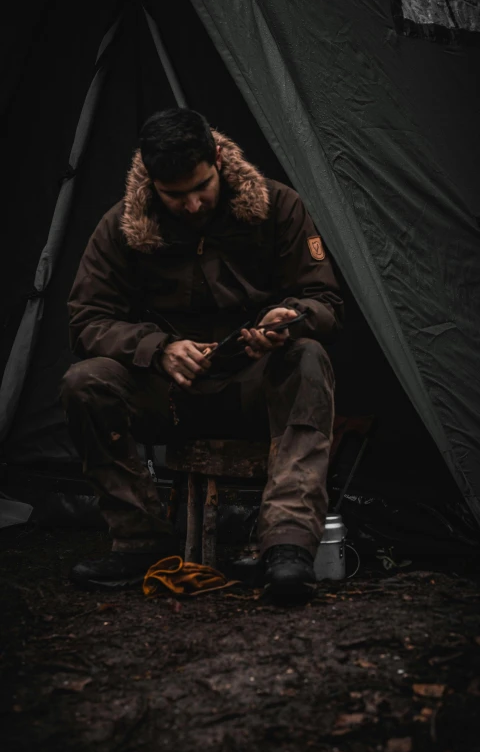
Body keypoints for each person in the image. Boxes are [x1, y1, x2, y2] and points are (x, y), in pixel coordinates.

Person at [61, 108, 343, 600]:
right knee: (86, 381)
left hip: (255, 385)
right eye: (174, 196)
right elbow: (86, 321)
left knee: (309, 358)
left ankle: (288, 548)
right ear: (151, 182)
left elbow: (325, 302)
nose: (192, 206)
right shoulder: (120, 227)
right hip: (169, 394)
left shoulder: (279, 207)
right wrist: (158, 349)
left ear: (217, 159)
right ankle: (140, 543)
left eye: (201, 188)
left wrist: (287, 319)